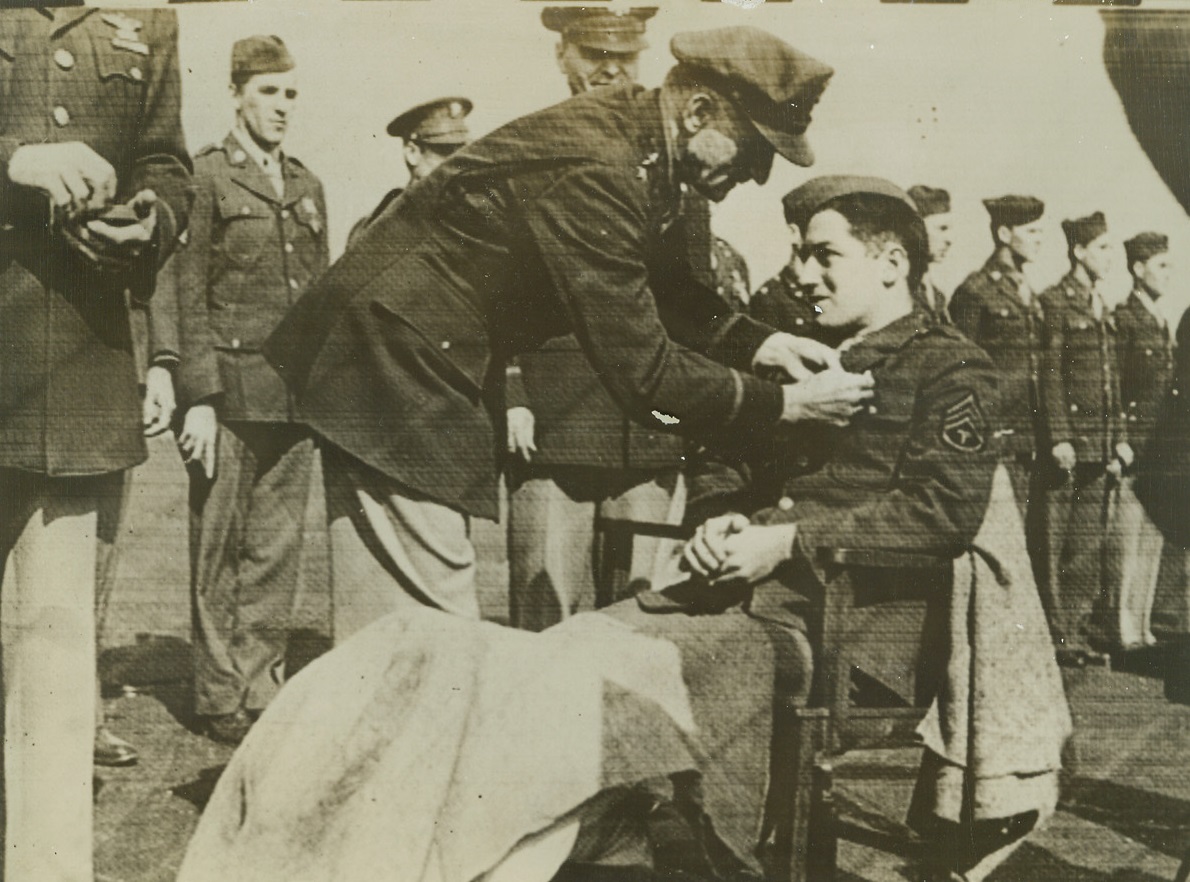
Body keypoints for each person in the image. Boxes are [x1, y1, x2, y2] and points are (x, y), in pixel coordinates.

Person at [179, 176, 1068, 882]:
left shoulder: (952, 369)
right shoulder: (798, 348)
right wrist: (721, 520)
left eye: (824, 253)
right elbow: (724, 455)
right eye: (800, 252)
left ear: (892, 262)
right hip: (726, 600)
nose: (803, 269)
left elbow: (940, 515)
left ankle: (468, 844)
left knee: (574, 697)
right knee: (515, 662)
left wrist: (783, 541)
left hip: (841, 629)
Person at [264, 26, 872, 644]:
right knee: (426, 632)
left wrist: (759, 344)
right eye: (753, 149)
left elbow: (666, 287)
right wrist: (785, 404)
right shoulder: (601, 168)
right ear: (697, 112)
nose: (758, 175)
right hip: (390, 363)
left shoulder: (639, 144)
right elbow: (646, 373)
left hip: (416, 357)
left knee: (416, 630)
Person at [0, 8, 190, 880]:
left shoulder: (148, 16)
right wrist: (15, 159)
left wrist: (155, 217)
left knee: (55, 645)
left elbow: (165, 158)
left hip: (74, 365)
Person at [504, 6, 746, 632]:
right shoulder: (538, 148)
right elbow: (496, 293)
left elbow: (686, 301)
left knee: (639, 606)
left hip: (647, 430)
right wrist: (511, 393)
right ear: (563, 58)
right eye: (593, 55)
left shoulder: (678, 169)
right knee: (545, 599)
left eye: (625, 58)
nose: (610, 71)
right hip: (555, 421)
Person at [171, 36, 329, 744]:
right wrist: (198, 397)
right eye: (269, 92)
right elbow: (185, 293)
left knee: (276, 549)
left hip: (292, 399)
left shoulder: (306, 185)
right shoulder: (206, 177)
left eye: (291, 94)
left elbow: (316, 301)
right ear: (237, 94)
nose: (282, 107)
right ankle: (216, 693)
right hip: (229, 396)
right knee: (219, 546)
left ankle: (262, 687)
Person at [1037, 211, 1132, 666]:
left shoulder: (1101, 305)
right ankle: (1056, 635)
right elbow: (1050, 375)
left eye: (1111, 248)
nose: (1110, 257)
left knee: (1088, 543)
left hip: (1100, 442)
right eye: (1102, 249)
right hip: (1070, 443)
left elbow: (1112, 381)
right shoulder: (1056, 302)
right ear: (1078, 251)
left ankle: (1073, 632)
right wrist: (1058, 435)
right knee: (1056, 541)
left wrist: (1119, 439)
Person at [948, 195, 1046, 521]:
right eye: (1031, 232)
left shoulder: (1028, 292)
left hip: (1029, 439)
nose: (1039, 240)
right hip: (995, 440)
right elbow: (960, 374)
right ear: (1004, 234)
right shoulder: (975, 291)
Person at [1111, 231, 1175, 648]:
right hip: (1134, 444)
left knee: (1150, 537)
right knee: (1125, 539)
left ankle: (1141, 620)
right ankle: (1120, 625)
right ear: (1138, 268)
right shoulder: (1124, 318)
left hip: (1158, 447)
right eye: (1162, 265)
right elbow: (1114, 385)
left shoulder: (1158, 319)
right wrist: (1120, 438)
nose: (1169, 274)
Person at [347, 96, 473, 247]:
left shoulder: (473, 219)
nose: (456, 165)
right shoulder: (379, 226)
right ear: (412, 153)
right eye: (444, 152)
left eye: (461, 153)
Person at [907, 184, 954, 323]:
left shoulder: (937, 296)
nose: (950, 240)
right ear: (916, 229)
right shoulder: (901, 292)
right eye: (942, 228)